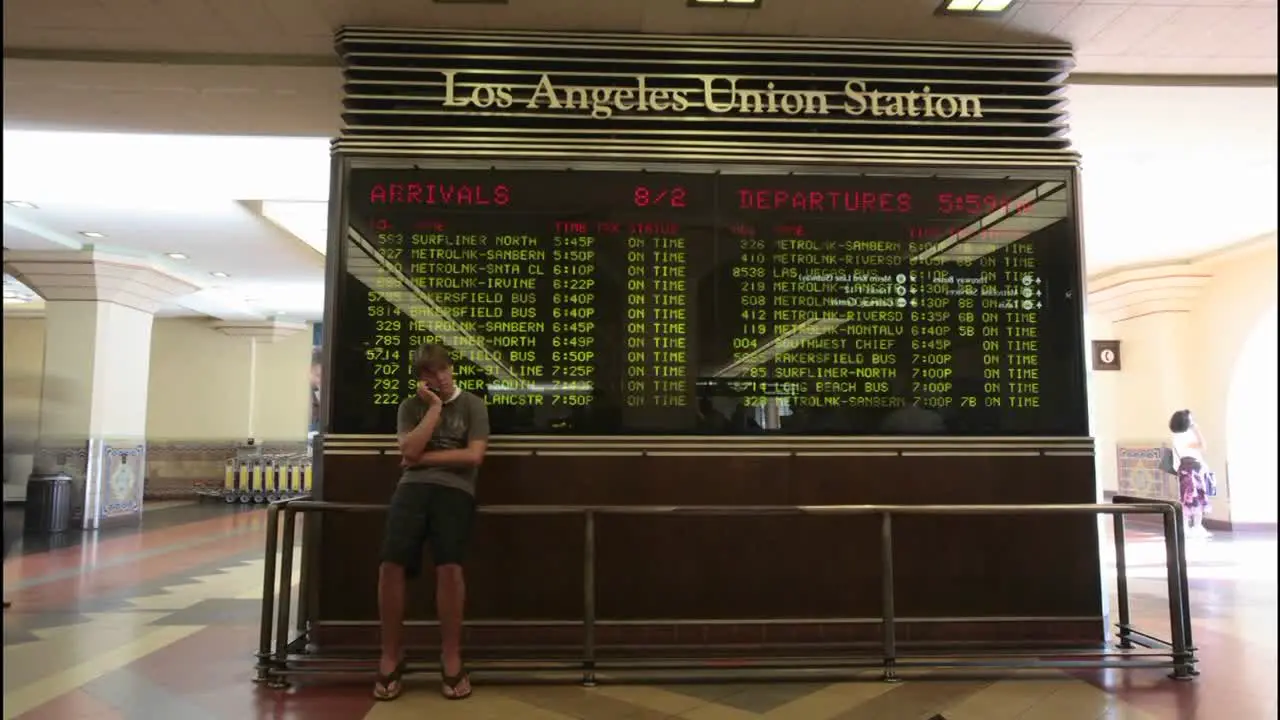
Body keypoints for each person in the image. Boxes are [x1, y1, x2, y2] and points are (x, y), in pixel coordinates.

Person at [374, 344, 489, 701]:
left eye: (443, 370)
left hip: (455, 492)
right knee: (391, 565)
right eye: (430, 373)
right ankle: (391, 654)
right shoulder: (411, 407)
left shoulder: (473, 405)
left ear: (451, 369)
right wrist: (435, 409)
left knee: (449, 567)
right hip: (411, 490)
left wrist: (422, 459)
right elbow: (408, 451)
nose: (439, 377)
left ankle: (451, 656)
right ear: (421, 379)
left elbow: (473, 456)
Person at [1169, 409, 1213, 540]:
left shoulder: (1175, 437)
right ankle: (1196, 527)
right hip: (1193, 469)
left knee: (1187, 499)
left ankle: (1186, 528)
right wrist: (1197, 430)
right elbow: (1203, 446)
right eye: (1190, 419)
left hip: (1184, 469)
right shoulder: (1186, 436)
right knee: (1197, 498)